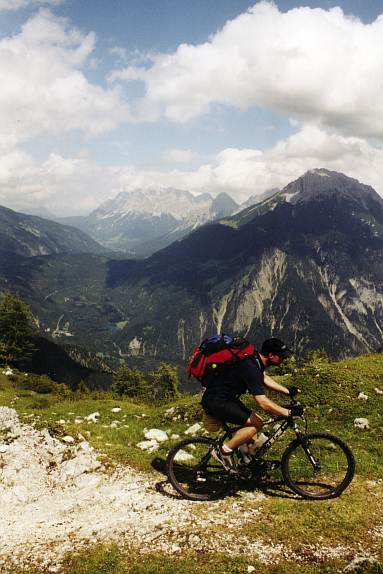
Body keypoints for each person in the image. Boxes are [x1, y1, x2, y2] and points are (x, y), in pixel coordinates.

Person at [201, 337, 302, 472]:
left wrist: (288, 391)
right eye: (282, 357)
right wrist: (287, 413)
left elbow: (264, 378)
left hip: (223, 398)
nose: (284, 359)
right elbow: (262, 402)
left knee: (252, 424)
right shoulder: (250, 366)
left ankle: (246, 461)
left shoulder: (254, 360)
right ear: (271, 355)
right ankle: (224, 451)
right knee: (257, 423)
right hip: (217, 401)